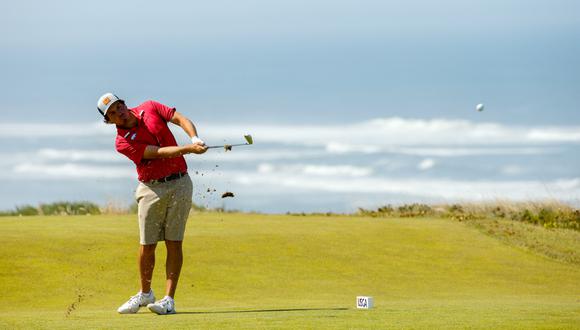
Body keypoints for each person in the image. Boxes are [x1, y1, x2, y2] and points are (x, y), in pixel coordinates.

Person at [96, 92, 208, 315]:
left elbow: (181, 119)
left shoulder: (150, 107)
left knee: (174, 242)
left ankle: (168, 300)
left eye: (119, 105)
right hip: (150, 189)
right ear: (109, 121)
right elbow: (156, 153)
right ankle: (145, 293)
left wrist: (194, 138)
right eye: (113, 113)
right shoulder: (122, 142)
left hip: (180, 184)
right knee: (147, 245)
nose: (120, 111)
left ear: (124, 103)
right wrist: (187, 149)